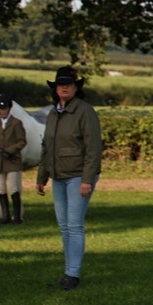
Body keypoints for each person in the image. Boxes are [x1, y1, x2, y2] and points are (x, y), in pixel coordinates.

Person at [37, 67, 102, 289]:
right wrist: (42, 176)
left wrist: (87, 179)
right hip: (58, 176)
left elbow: (93, 148)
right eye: (60, 84)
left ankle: (73, 274)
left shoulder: (85, 111)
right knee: (63, 226)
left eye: (69, 84)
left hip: (78, 176)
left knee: (74, 225)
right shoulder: (53, 113)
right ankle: (67, 272)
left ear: (76, 88)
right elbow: (47, 146)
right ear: (55, 89)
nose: (64, 87)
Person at [0, 95, 27, 225]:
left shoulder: (16, 123)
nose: (3, 111)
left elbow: (22, 141)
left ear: (9, 109)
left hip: (12, 159)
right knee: (1, 189)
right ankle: (5, 216)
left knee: (13, 188)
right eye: (1, 109)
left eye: (5, 108)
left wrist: (10, 149)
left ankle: (18, 216)